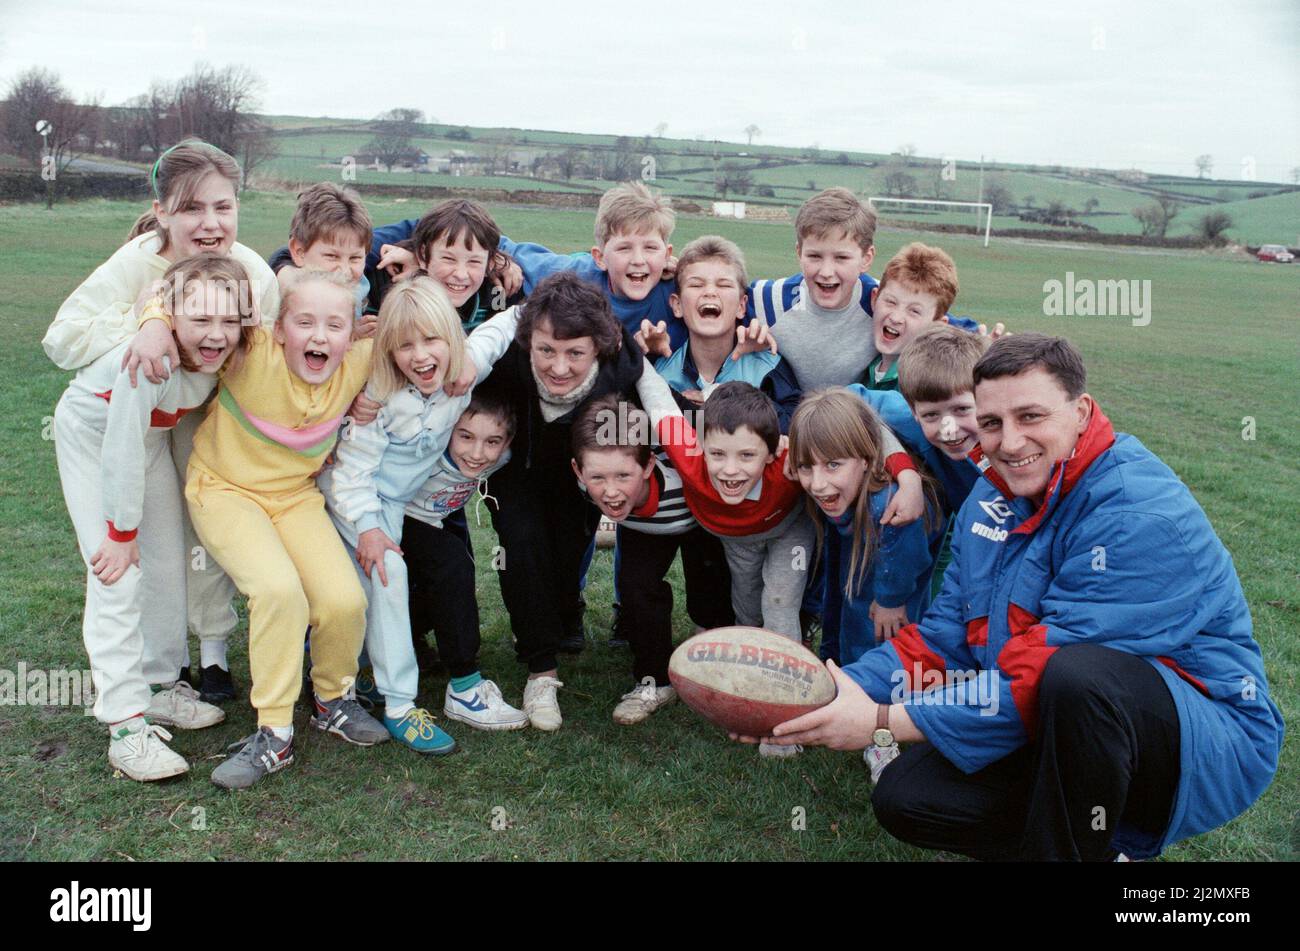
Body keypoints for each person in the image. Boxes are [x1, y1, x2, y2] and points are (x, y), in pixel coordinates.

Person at [752, 334, 1284, 861]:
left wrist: (880, 721)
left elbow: (1038, 680)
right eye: (991, 423)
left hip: (1201, 738)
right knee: (908, 796)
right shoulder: (991, 494)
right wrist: (812, 692)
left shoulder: (1135, 513)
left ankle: (1087, 842)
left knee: (1078, 679)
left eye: (1031, 417)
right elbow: (946, 637)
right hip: (1063, 720)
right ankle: (1085, 845)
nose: (1008, 442)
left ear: (1081, 411)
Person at [42, 139, 280, 704]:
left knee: (180, 548)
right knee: (121, 559)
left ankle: (169, 678)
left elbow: (257, 356)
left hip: (187, 415)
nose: (210, 223)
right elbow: (61, 338)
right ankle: (126, 713)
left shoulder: (249, 271)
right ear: (161, 210)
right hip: (117, 415)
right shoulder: (139, 261)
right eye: (192, 208)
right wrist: (147, 324)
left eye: (222, 207)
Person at [135, 269, 387, 789]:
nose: (319, 337)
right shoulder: (252, 353)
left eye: (334, 325)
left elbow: (424, 336)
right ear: (277, 328)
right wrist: (155, 321)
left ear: (352, 332)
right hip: (225, 490)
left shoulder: (360, 360)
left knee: (344, 599)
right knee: (278, 592)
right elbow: (184, 300)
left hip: (295, 496)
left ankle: (332, 699)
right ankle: (274, 733)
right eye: (304, 322)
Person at [52, 254, 253, 780]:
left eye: (228, 320)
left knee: (166, 560)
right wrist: (120, 533)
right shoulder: (152, 358)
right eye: (201, 320)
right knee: (119, 573)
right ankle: (124, 725)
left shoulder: (224, 351)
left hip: (147, 436)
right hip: (98, 436)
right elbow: (118, 440)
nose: (216, 334)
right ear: (170, 317)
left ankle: (162, 687)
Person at [319, 277, 528, 753]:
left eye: (432, 340)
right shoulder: (379, 395)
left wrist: (471, 358)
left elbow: (508, 321)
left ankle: (358, 682)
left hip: (398, 503)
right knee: (386, 572)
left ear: (452, 338)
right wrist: (368, 529)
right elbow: (353, 471)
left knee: (373, 588)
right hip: (356, 499)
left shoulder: (461, 375)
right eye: (404, 345)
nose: (419, 355)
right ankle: (398, 706)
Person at [476, 272, 679, 730]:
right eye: (546, 350)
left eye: (575, 353)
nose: (560, 367)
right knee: (522, 545)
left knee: (569, 552)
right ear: (528, 340)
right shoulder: (505, 354)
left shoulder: (622, 363)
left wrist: (735, 434)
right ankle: (541, 671)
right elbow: (463, 371)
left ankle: (567, 615)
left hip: (580, 473)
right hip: (517, 469)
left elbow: (667, 409)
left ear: (599, 348)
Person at [569, 395, 734, 724]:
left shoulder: (682, 471)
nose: (611, 491)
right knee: (636, 590)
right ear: (579, 469)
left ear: (647, 466)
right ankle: (653, 681)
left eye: (622, 477)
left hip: (700, 516)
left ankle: (714, 664)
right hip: (641, 523)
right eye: (598, 478)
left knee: (710, 589)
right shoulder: (586, 477)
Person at [787, 389, 942, 666]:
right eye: (805, 467)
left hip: (890, 592)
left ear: (867, 459)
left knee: (874, 636)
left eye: (833, 465)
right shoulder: (846, 490)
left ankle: (870, 694)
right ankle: (839, 667)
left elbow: (909, 555)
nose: (818, 483)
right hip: (860, 564)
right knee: (845, 612)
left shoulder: (889, 505)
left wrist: (890, 600)